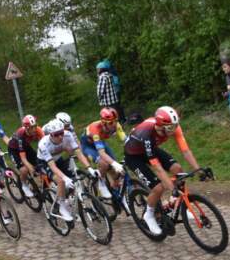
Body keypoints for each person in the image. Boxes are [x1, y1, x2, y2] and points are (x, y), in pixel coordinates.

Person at [124, 106, 208, 235]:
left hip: (150, 149)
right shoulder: (147, 133)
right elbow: (157, 168)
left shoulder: (173, 127)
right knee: (158, 187)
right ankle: (149, 215)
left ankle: (176, 204)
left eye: (175, 126)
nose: (174, 130)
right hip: (134, 156)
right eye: (170, 128)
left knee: (178, 169)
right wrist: (171, 187)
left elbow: (185, 151)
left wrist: (198, 170)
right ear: (160, 126)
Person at [37, 119, 97, 222]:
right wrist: (65, 178)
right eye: (57, 134)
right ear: (51, 135)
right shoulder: (43, 144)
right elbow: (52, 166)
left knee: (72, 180)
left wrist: (89, 168)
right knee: (61, 181)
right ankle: (62, 206)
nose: (61, 136)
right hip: (44, 162)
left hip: (57, 158)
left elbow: (78, 152)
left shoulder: (68, 135)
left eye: (62, 133)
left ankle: (65, 197)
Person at [80, 107, 126, 198]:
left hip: (100, 143)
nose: (114, 124)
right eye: (111, 123)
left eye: (116, 121)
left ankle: (115, 190)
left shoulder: (116, 125)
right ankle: (102, 182)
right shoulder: (95, 129)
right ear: (104, 123)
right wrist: (114, 163)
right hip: (88, 146)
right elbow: (101, 153)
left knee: (116, 171)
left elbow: (125, 140)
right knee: (104, 163)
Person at [7, 114, 43, 198]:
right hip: (14, 149)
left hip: (26, 146)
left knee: (39, 163)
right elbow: (23, 158)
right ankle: (24, 185)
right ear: (26, 128)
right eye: (32, 127)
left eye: (35, 126)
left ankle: (39, 184)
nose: (34, 129)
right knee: (24, 169)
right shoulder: (20, 136)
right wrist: (30, 167)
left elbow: (44, 145)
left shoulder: (38, 130)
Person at [96, 60, 125, 124]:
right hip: (113, 99)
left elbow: (100, 90)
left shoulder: (102, 77)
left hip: (107, 101)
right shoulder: (109, 75)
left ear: (101, 69)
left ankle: (112, 127)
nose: (97, 70)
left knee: (109, 116)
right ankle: (119, 123)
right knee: (115, 113)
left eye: (97, 69)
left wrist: (99, 98)